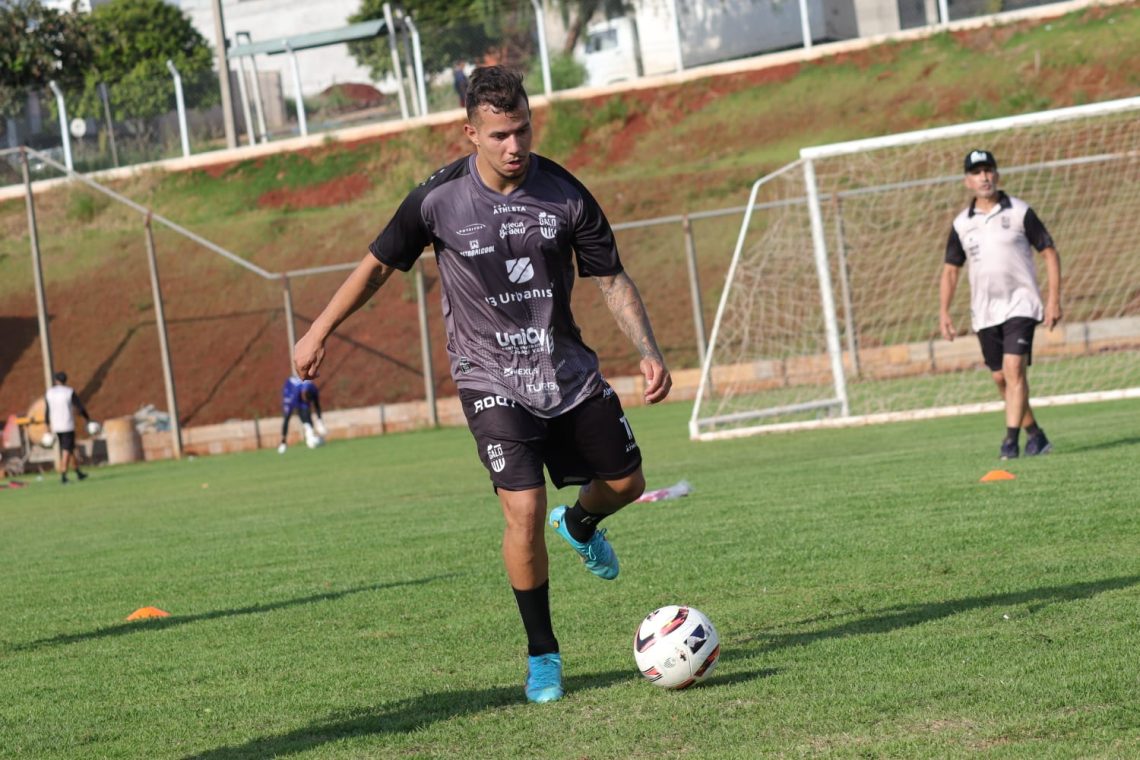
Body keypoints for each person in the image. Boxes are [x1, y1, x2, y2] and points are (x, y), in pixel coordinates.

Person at [294, 66, 671, 704]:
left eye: (522, 129)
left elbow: (610, 278)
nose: (515, 146)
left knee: (628, 483)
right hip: (489, 376)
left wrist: (649, 351)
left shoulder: (566, 193)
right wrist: (319, 329)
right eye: (499, 135)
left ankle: (580, 524)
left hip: (566, 371)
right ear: (471, 132)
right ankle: (544, 656)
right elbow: (378, 267)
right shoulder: (436, 200)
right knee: (521, 512)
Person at [940, 148, 1063, 460]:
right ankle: (1036, 435)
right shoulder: (961, 224)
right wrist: (943, 311)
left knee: (1013, 369)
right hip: (985, 311)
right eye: (977, 172)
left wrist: (1052, 301)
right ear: (967, 181)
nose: (984, 177)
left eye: (988, 170)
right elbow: (951, 270)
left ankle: (1010, 443)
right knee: (1000, 377)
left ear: (997, 174)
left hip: (1021, 304)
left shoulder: (1020, 212)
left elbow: (1049, 252)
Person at [43, 371, 93, 484]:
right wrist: (87, 418)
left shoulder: (50, 393)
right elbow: (80, 407)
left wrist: (47, 425)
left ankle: (78, 472)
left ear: (56, 380)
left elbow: (47, 410)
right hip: (67, 425)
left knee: (70, 448)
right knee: (66, 449)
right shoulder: (69, 392)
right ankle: (63, 475)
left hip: (56, 425)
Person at [278, 375, 326, 453]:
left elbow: (317, 405)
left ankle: (311, 437)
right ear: (303, 394)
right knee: (287, 417)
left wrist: (319, 420)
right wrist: (306, 424)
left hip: (300, 394)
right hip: (289, 393)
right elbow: (299, 411)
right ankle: (283, 442)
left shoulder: (314, 390)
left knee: (307, 413)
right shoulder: (295, 394)